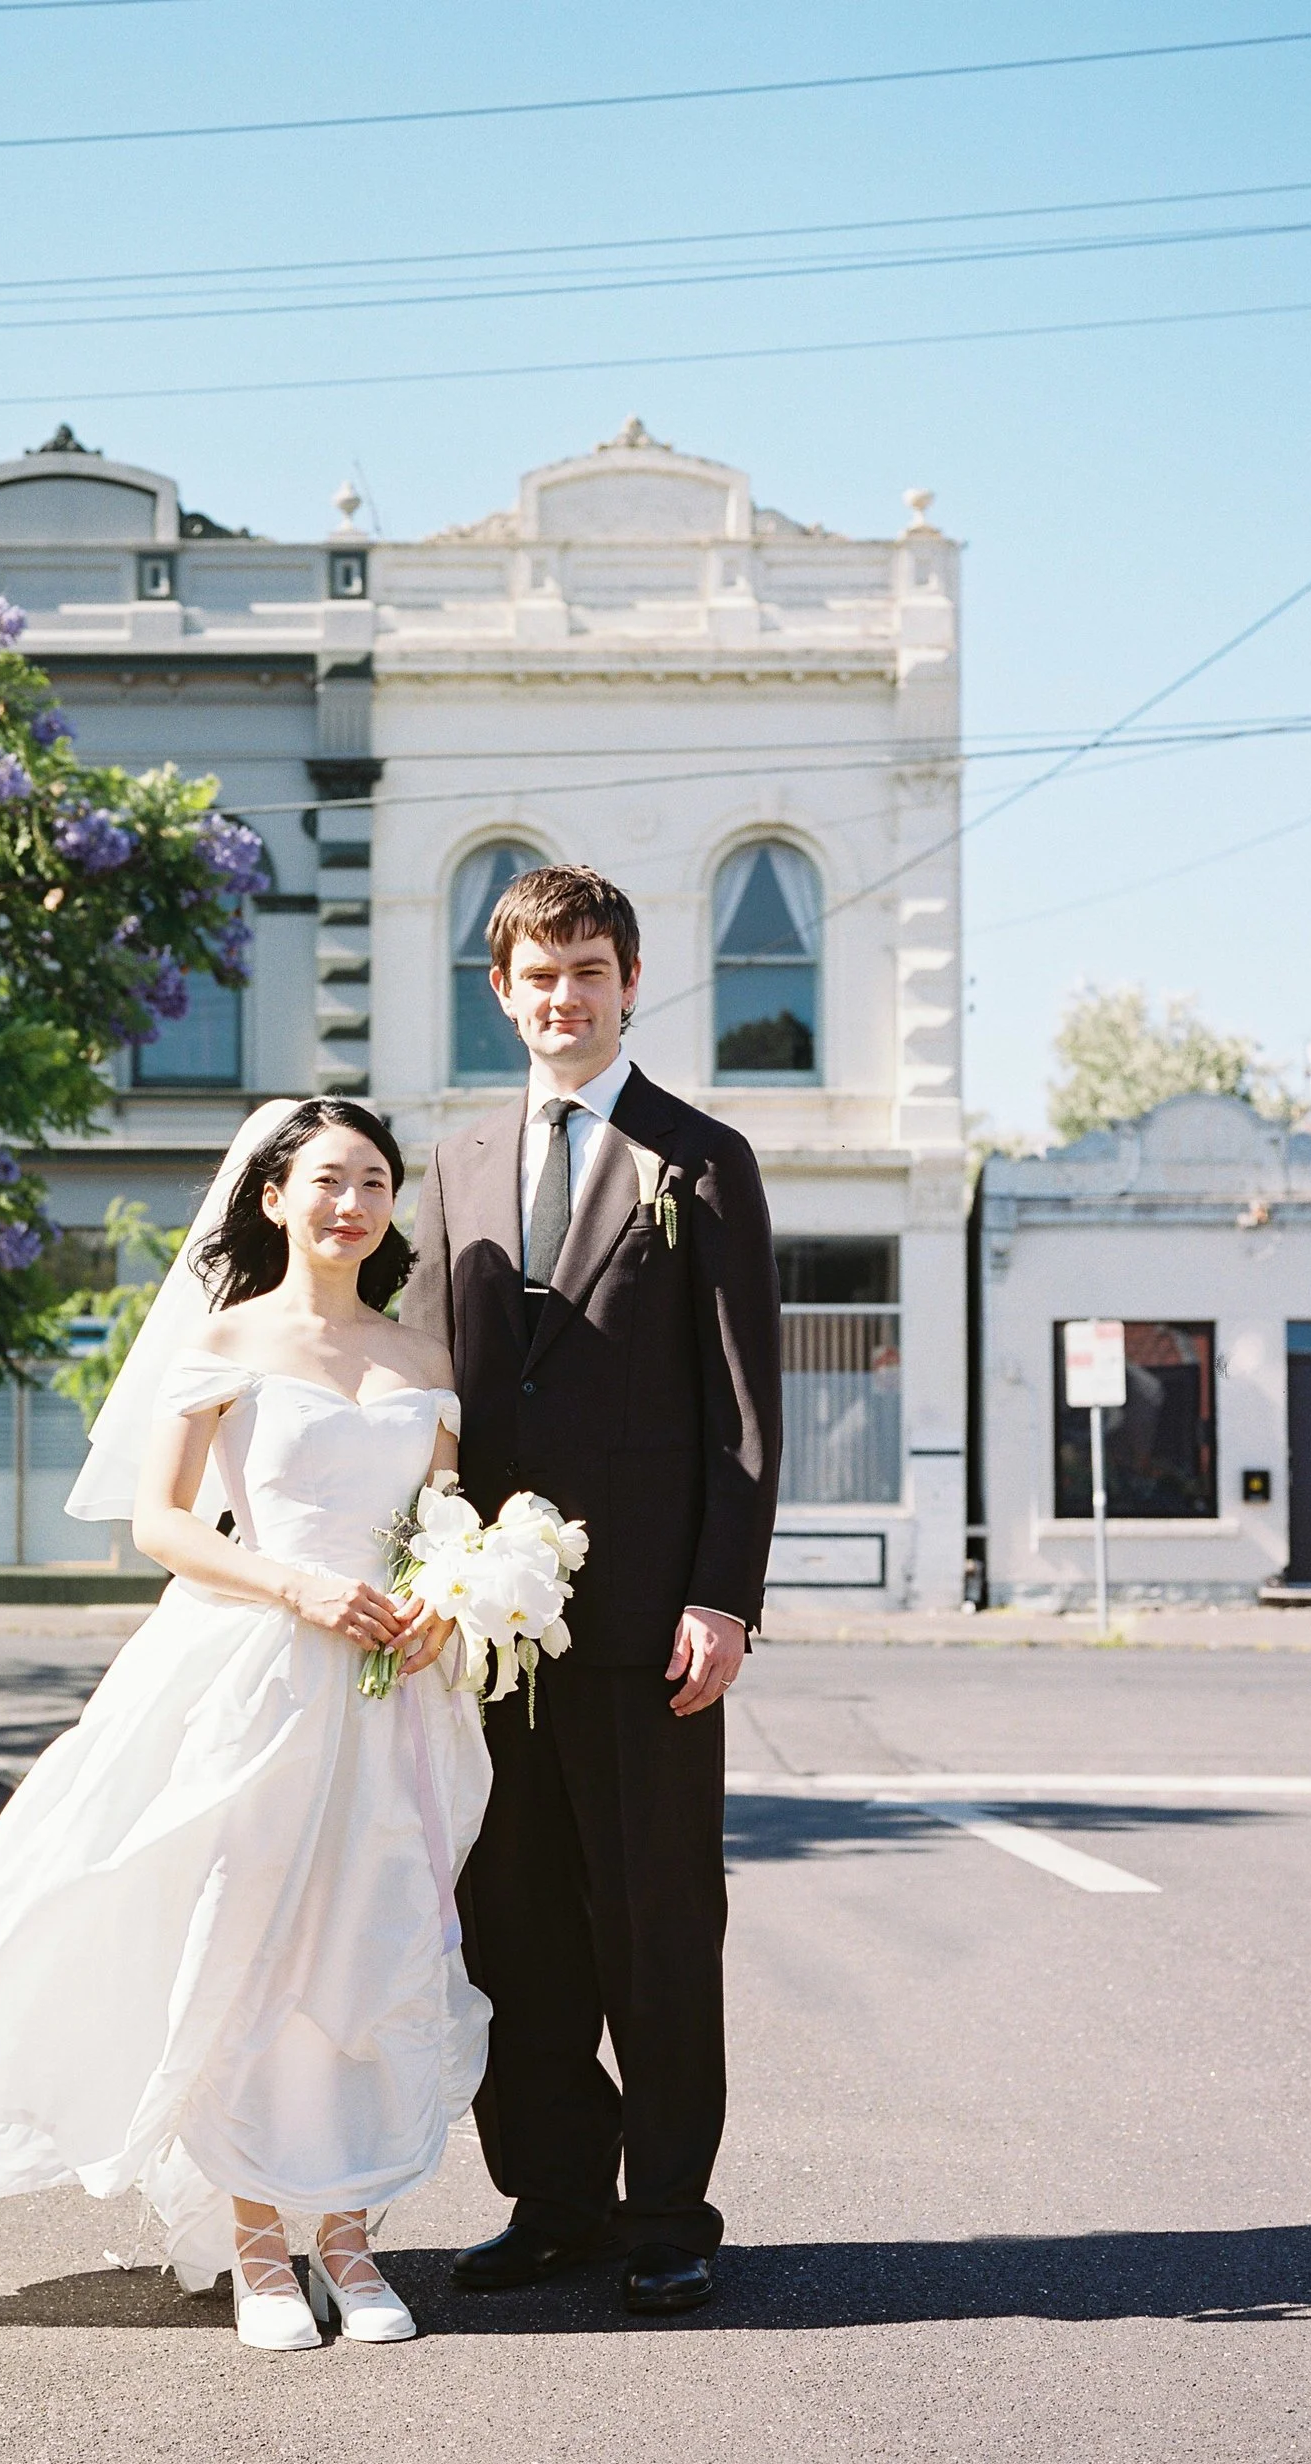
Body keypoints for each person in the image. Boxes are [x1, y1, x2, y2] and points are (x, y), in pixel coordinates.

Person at [0, 1098, 488, 2353]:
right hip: (257, 1670)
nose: (350, 1202)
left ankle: (350, 2235)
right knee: (245, 1942)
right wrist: (296, 1584)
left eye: (374, 1181)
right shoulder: (223, 1339)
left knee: (364, 1946)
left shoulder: (421, 1357)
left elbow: (442, 1522)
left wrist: (443, 1599)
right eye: (325, 1178)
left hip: (385, 1698)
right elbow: (161, 1525)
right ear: (272, 1196)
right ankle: (262, 2244)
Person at [403, 863, 782, 2318]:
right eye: (536, 975)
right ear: (500, 993)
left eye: (589, 971)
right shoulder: (450, 1165)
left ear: (632, 984)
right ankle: (554, 2199)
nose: (563, 997)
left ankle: (673, 2210)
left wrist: (721, 1595)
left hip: (648, 1630)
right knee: (516, 1930)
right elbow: (435, 1385)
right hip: (488, 1634)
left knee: (657, 1925)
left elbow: (747, 1410)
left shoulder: (703, 1160)